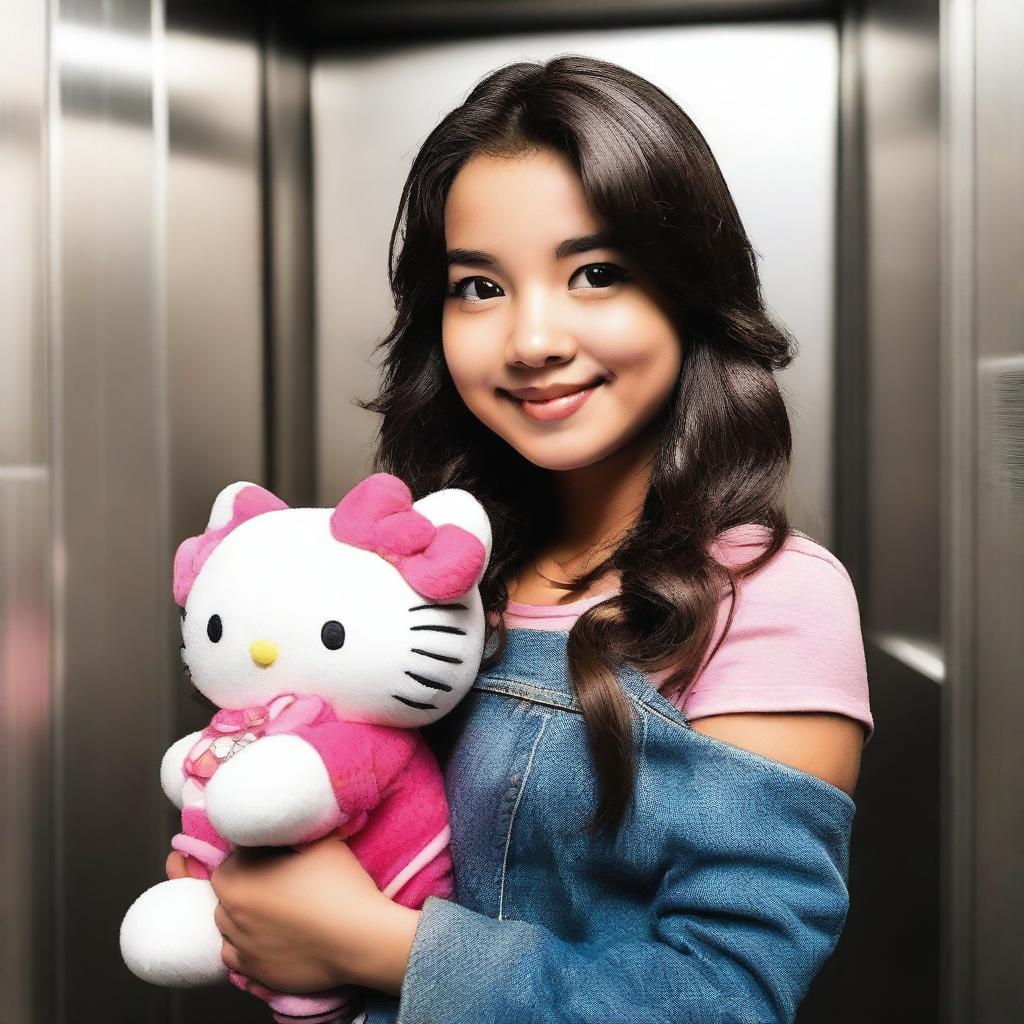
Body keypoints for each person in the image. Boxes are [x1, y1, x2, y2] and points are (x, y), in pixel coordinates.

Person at [166, 54, 872, 1022]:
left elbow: (719, 997)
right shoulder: (431, 576)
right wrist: (252, 879)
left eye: (594, 274)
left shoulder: (770, 596)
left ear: (685, 292)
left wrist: (377, 945)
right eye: (479, 288)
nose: (531, 338)